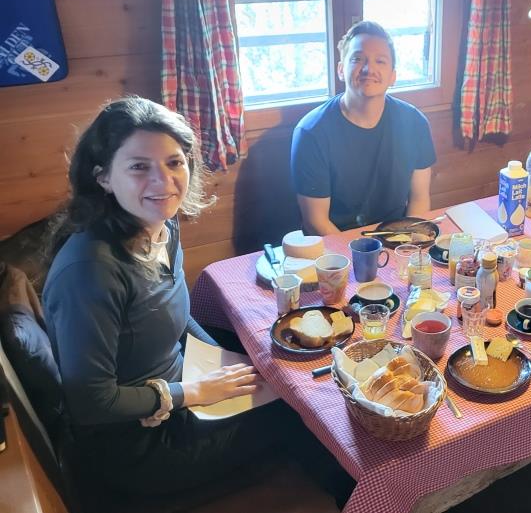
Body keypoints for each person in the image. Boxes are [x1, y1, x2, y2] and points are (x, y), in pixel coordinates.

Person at [43, 97, 351, 505]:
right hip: (137, 444)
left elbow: (179, 316)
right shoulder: (91, 272)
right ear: (103, 177)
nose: (163, 181)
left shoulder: (161, 225)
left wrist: (229, 361)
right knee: (307, 413)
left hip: (183, 386)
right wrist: (194, 391)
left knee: (292, 377)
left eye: (174, 162)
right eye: (139, 167)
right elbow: (91, 403)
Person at [291, 20, 436, 234]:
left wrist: (409, 247)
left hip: (397, 241)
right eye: (357, 59)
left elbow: (419, 200)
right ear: (341, 70)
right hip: (334, 246)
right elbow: (316, 222)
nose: (369, 69)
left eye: (380, 61)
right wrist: (360, 253)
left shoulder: (415, 123)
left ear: (393, 76)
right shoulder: (311, 132)